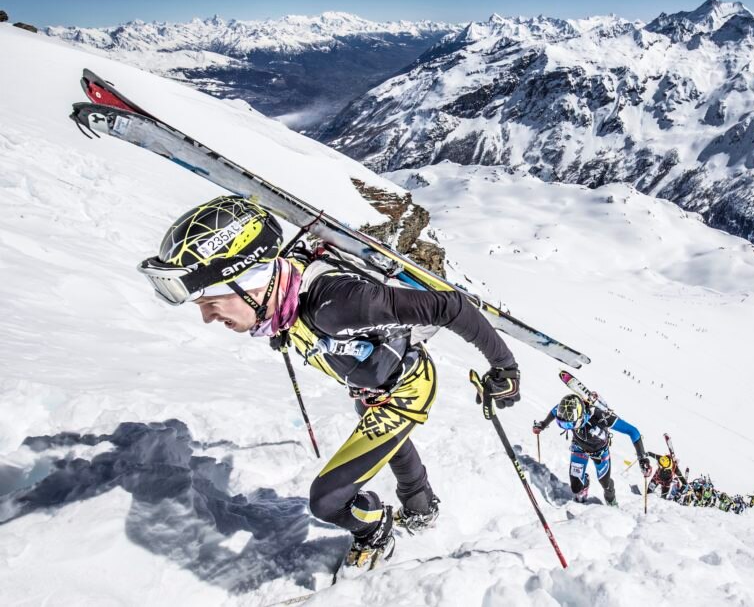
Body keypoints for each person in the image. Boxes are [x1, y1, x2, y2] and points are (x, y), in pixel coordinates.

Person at [137, 196, 522, 570]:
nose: (207, 317)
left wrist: (504, 369)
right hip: (370, 386)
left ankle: (374, 527)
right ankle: (422, 508)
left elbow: (449, 306)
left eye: (211, 302)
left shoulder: (339, 304)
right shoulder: (282, 297)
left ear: (249, 283)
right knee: (393, 444)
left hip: (404, 389)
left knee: (328, 501)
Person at [533, 394, 648, 506]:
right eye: (563, 425)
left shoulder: (600, 417)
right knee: (575, 487)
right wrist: (543, 424)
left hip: (600, 453)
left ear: (580, 417)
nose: (568, 428)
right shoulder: (567, 408)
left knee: (605, 483)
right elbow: (555, 411)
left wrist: (642, 458)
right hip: (578, 447)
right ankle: (584, 483)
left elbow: (633, 431)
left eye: (569, 425)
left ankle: (611, 501)